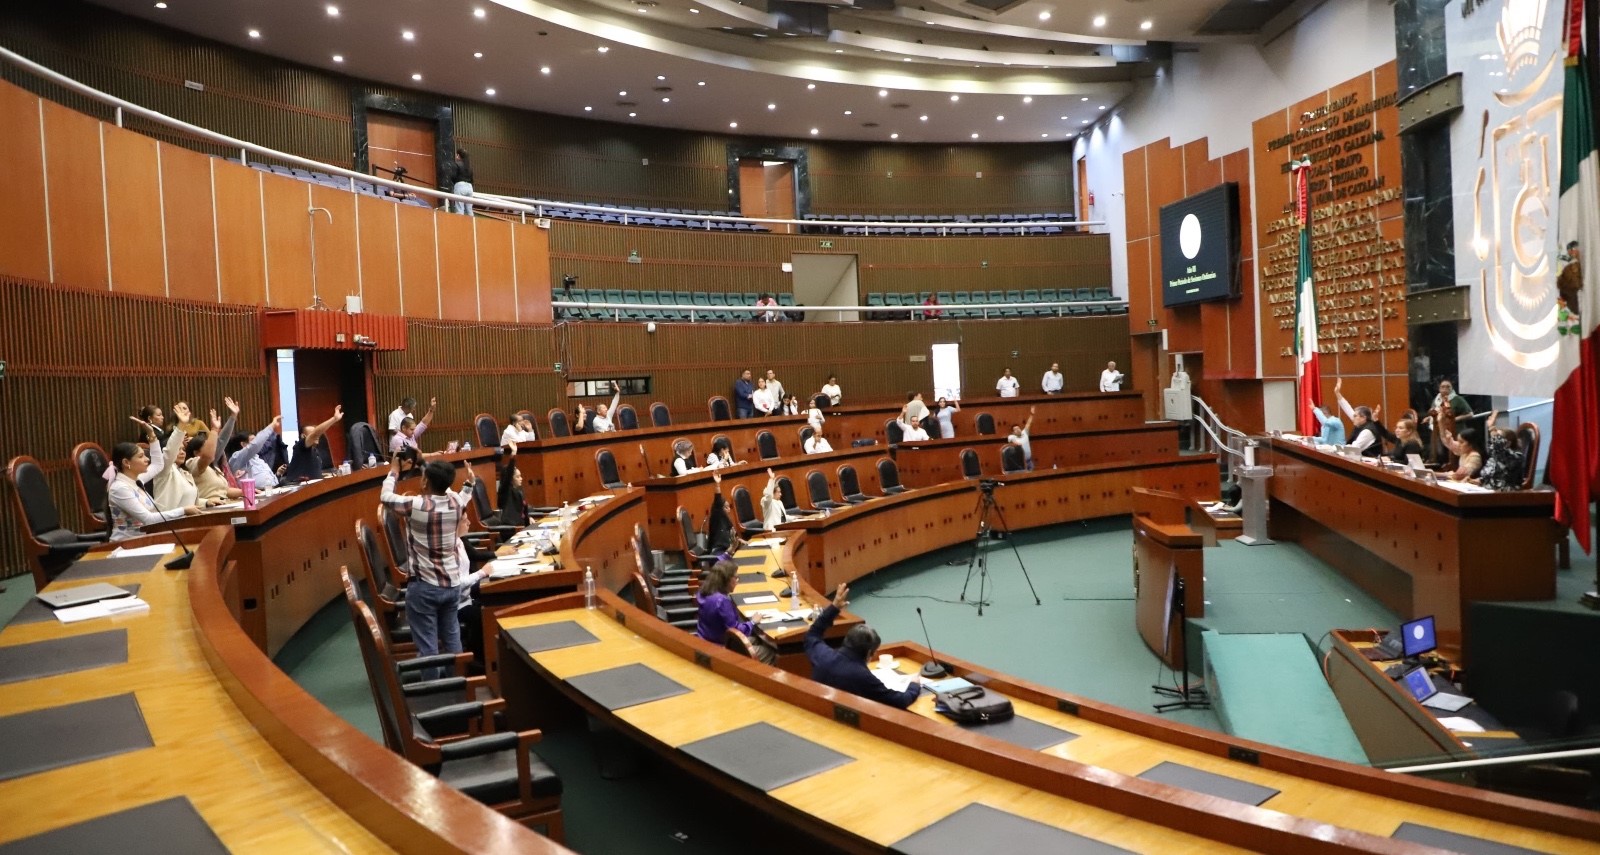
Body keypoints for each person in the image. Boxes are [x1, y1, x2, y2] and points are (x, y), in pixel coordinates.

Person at [381, 456, 477, 671]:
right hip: (452, 586)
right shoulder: (456, 503)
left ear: (424, 482)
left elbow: (386, 497)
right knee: (453, 642)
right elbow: (465, 493)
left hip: (424, 588)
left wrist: (395, 470)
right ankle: (459, 688)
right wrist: (469, 481)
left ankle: (435, 693)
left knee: (428, 649)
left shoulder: (416, 505)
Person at [804, 583, 919, 709]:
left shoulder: (823, 656)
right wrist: (914, 685)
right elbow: (900, 701)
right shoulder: (862, 677)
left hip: (815, 711)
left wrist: (834, 608)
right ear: (869, 653)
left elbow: (812, 634)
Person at [107, 419, 202, 541]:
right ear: (126, 463)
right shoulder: (120, 488)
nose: (147, 459)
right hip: (127, 545)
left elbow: (158, 464)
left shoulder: (136, 480)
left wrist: (152, 435)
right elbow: (148, 519)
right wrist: (183, 510)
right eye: (141, 457)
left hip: (146, 540)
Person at [695, 559, 778, 664]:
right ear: (726, 580)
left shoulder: (704, 593)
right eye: (736, 577)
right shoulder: (721, 601)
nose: (738, 581)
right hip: (720, 649)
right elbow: (737, 631)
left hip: (705, 643)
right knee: (771, 651)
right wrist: (753, 622)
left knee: (758, 640)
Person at [284, 405, 344, 481]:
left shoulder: (315, 451)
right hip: (297, 488)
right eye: (312, 433)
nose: (318, 435)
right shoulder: (300, 446)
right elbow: (316, 433)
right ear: (303, 436)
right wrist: (334, 419)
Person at [229, 415, 285, 489]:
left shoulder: (258, 458)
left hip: (271, 490)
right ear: (243, 444)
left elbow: (268, 481)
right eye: (253, 440)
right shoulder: (237, 457)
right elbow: (255, 445)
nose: (258, 443)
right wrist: (271, 426)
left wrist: (277, 474)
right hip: (255, 495)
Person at [1476, 411, 1525, 492]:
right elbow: (1488, 475)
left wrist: (1491, 427)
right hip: (1489, 491)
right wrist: (1476, 481)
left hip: (1506, 494)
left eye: (1498, 437)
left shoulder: (1516, 457)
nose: (1494, 440)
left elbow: (1499, 448)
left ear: (1508, 443)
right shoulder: (1494, 456)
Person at [1332, 379, 1382, 458]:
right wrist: (1337, 393)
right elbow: (1347, 408)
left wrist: (1338, 449)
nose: (1352, 417)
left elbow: (1354, 449)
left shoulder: (1368, 431)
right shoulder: (1362, 423)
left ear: (1363, 418)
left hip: (1370, 465)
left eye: (1355, 416)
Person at [484, 448, 530, 528]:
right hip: (510, 528)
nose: (521, 478)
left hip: (520, 526)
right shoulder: (505, 491)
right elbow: (508, 476)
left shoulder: (518, 491)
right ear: (511, 479)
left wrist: (529, 519)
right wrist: (513, 455)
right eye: (518, 477)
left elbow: (523, 512)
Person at [447, 148, 473, 216]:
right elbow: (472, 180)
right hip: (469, 187)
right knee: (469, 210)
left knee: (459, 209)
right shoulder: (469, 167)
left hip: (460, 186)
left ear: (458, 155)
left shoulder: (457, 164)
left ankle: (460, 225)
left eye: (456, 155)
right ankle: (471, 225)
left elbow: (453, 176)